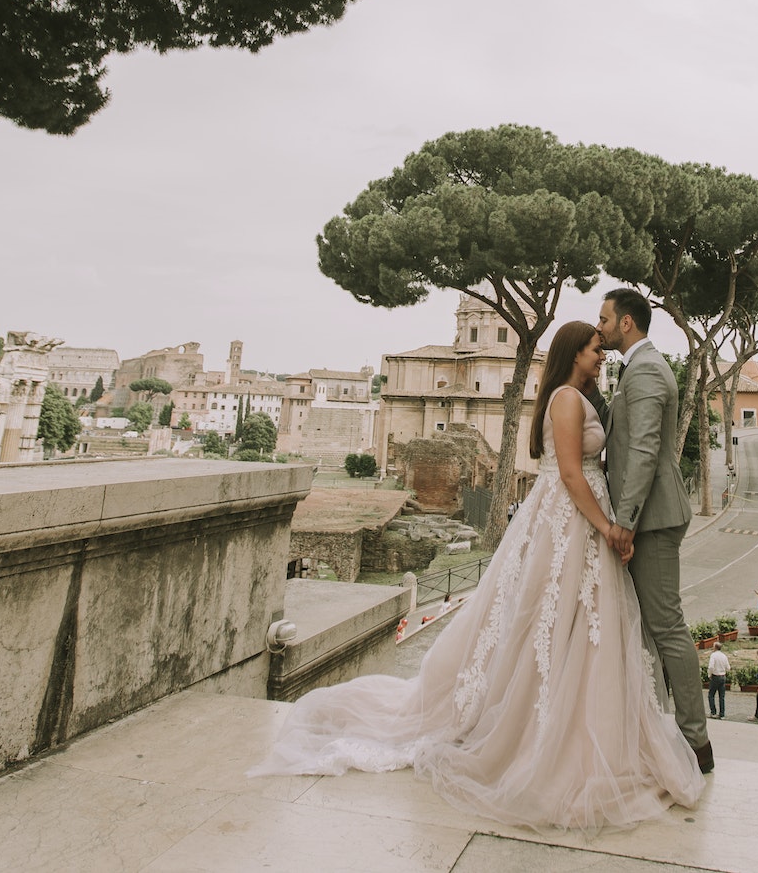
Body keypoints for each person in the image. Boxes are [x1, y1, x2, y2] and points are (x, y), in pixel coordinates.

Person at [250, 318, 702, 831]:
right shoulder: (568, 400)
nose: (602, 352)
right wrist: (609, 526)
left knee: (561, 625)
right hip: (574, 519)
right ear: (574, 351)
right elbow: (573, 473)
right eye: (596, 347)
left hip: (572, 521)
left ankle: (565, 722)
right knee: (551, 624)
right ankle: (548, 729)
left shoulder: (571, 396)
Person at [598, 287, 712, 774]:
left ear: (627, 323)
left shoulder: (645, 369)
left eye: (604, 318)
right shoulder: (635, 368)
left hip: (654, 519)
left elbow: (643, 450)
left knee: (666, 626)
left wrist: (625, 522)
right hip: (650, 516)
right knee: (649, 627)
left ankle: (696, 743)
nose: (598, 325)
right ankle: (659, 728)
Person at [706, 645, 730, 719]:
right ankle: (722, 714)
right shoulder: (724, 656)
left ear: (715, 648)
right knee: (721, 696)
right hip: (723, 676)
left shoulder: (713, 655)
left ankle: (713, 712)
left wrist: (709, 674)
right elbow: (728, 667)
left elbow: (711, 666)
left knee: (711, 695)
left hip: (715, 676)